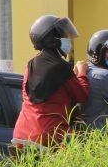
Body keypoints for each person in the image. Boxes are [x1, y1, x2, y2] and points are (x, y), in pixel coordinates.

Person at [13, 15, 90, 147]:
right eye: (64, 36)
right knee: (88, 146)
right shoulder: (61, 67)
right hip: (50, 135)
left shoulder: (31, 64)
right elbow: (82, 95)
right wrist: (82, 73)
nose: (68, 40)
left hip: (21, 134)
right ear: (52, 39)